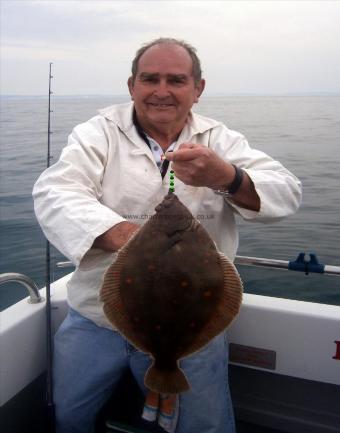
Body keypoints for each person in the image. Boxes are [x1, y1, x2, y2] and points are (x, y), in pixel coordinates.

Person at [33, 37, 302, 433]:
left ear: (198, 89)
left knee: (204, 426)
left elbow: (286, 191)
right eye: (150, 79)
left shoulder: (221, 141)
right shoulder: (97, 133)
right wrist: (128, 237)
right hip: (95, 316)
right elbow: (55, 191)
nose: (161, 91)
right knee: (70, 417)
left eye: (176, 80)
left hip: (193, 333)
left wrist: (228, 177)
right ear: (132, 86)